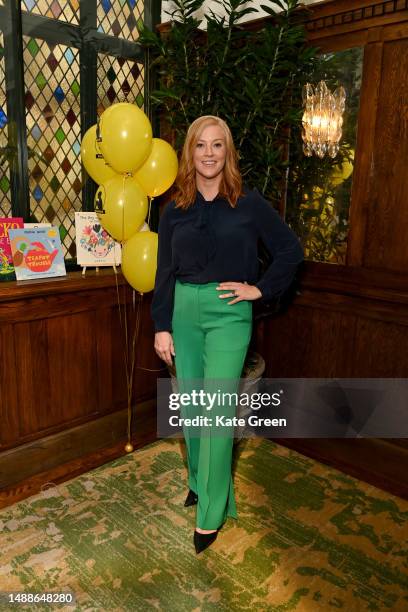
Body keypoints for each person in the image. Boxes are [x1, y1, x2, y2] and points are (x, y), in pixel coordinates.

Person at [151, 115, 304, 553]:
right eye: (201, 145)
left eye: (218, 145)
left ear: (228, 152)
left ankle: (211, 512)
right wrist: (162, 326)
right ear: (190, 153)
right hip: (183, 312)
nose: (209, 154)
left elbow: (290, 251)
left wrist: (259, 288)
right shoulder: (173, 210)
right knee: (195, 411)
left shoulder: (249, 204)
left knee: (217, 413)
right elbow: (163, 273)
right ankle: (200, 481)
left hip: (228, 315)